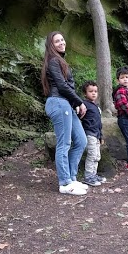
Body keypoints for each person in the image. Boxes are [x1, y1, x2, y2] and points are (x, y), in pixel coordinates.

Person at [41, 31, 89, 196]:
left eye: (62, 39)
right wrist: (79, 102)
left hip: (66, 104)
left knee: (81, 141)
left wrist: (74, 102)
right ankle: (64, 183)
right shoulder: (53, 61)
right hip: (58, 103)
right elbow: (61, 86)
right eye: (57, 41)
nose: (61, 42)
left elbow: (66, 86)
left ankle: (71, 177)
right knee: (64, 143)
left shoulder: (59, 61)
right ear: (51, 45)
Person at [79, 81, 107, 187]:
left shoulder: (96, 106)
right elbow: (79, 115)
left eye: (95, 91)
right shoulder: (84, 104)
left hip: (96, 134)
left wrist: (101, 136)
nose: (94, 93)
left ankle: (93, 175)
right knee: (92, 155)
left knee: (97, 155)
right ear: (85, 93)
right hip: (89, 133)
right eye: (91, 91)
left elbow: (99, 123)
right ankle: (88, 176)